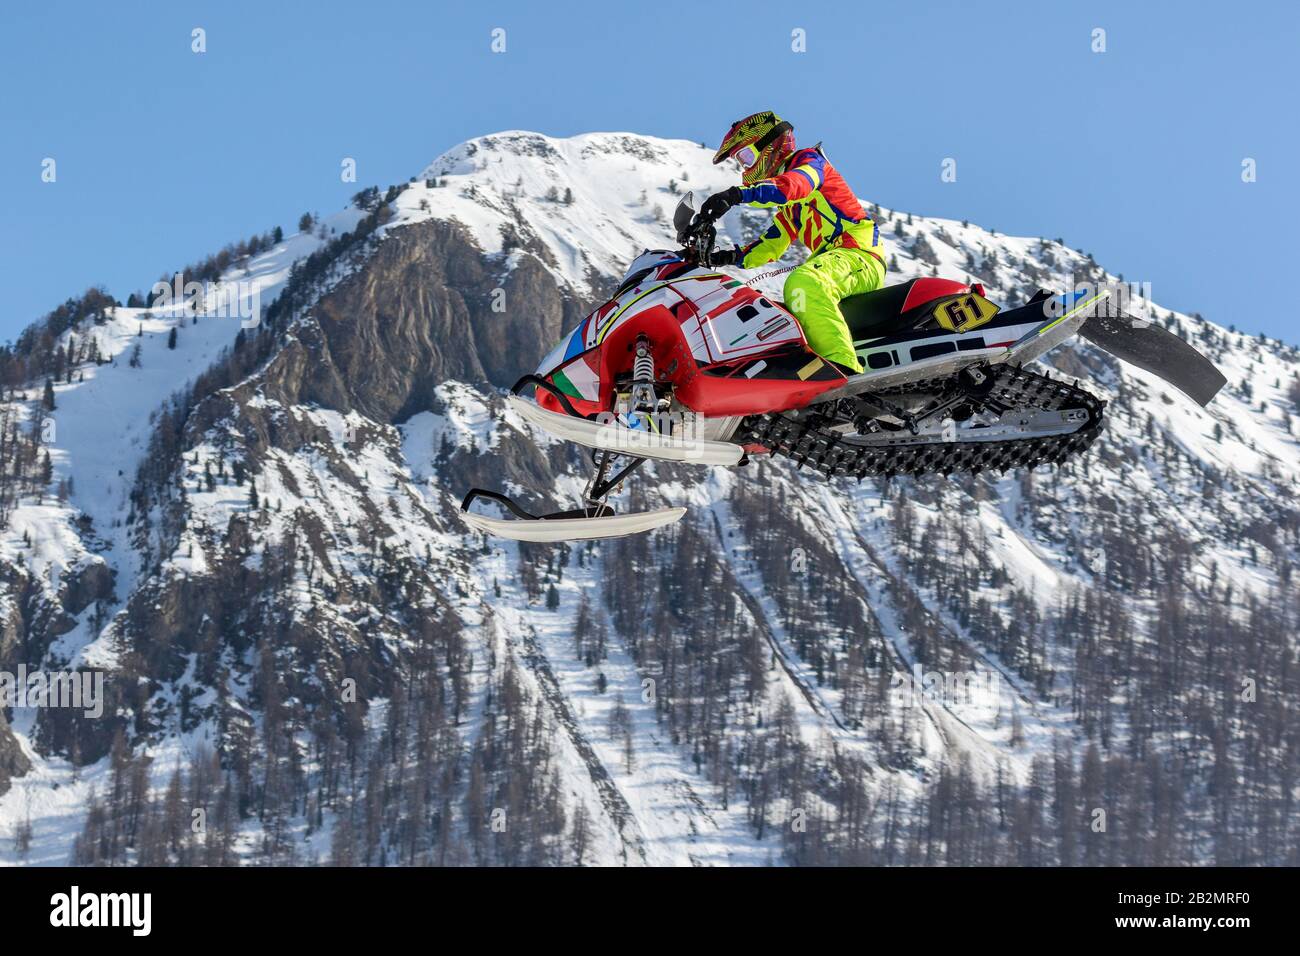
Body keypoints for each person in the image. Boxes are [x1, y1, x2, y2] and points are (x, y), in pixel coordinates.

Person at [693, 111, 885, 374]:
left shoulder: (810, 161)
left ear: (768, 144)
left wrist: (736, 195)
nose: (745, 167)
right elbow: (770, 245)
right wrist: (721, 258)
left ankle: (843, 369)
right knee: (778, 314)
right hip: (837, 263)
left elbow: (794, 186)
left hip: (858, 254)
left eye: (746, 156)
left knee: (804, 283)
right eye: (741, 162)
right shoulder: (792, 211)